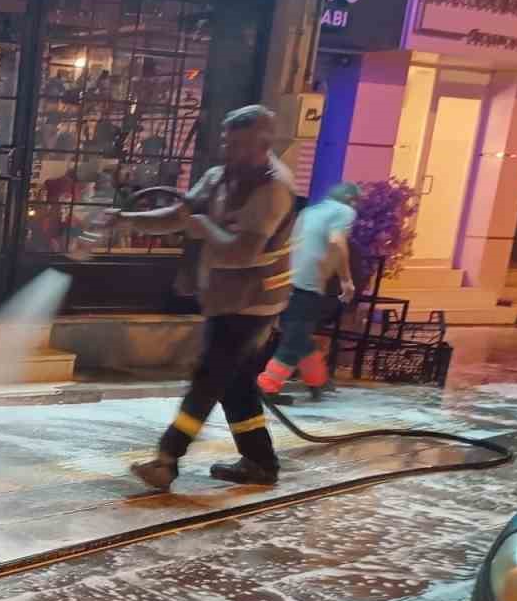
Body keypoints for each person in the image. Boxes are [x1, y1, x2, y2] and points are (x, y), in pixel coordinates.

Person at [111, 104, 297, 490]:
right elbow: (179, 216)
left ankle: (167, 459)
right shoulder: (219, 176)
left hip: (254, 304)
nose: (230, 152)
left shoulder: (273, 187)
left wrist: (205, 228)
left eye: (240, 146)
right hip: (225, 298)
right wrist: (125, 220)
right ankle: (261, 462)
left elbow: (243, 251)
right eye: (227, 144)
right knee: (235, 384)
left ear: (265, 144)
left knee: (209, 377)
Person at [258, 182, 359, 401]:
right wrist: (345, 280)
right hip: (307, 284)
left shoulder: (309, 211)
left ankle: (318, 381)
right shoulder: (345, 211)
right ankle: (267, 386)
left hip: (286, 281)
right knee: (295, 339)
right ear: (351, 200)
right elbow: (337, 242)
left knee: (300, 336)